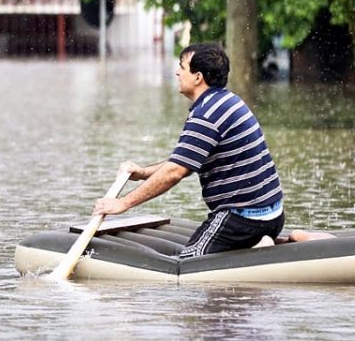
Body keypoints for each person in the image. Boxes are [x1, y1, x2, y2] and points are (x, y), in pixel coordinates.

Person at [93, 42, 285, 258]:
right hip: (273, 216)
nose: (177, 72)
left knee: (184, 265)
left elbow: (175, 172)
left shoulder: (205, 115)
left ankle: (258, 244)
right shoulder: (228, 101)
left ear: (198, 77)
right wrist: (143, 173)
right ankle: (270, 242)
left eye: (182, 67)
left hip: (242, 220)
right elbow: (185, 161)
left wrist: (122, 203)